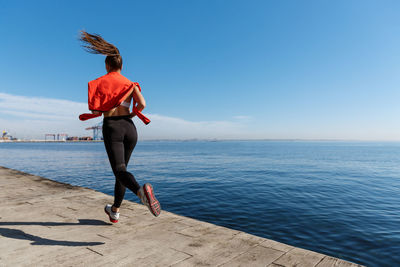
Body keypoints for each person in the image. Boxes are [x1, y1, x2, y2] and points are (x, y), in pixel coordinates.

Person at [79, 31, 161, 223]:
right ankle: (114, 211)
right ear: (121, 66)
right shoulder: (130, 84)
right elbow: (143, 105)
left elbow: (96, 109)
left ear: (107, 65)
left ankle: (140, 192)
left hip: (113, 127)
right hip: (130, 128)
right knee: (122, 172)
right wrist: (132, 113)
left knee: (120, 170)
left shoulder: (98, 83)